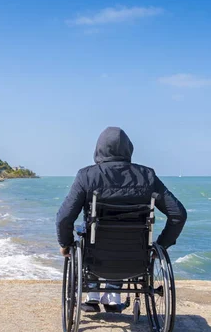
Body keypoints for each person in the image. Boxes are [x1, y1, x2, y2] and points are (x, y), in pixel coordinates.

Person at [56, 127, 187, 312]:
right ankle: (112, 296)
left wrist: (65, 243)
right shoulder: (147, 176)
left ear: (98, 149)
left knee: (89, 233)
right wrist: (162, 245)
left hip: (96, 256)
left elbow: (64, 218)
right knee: (123, 236)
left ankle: (93, 294)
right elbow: (178, 214)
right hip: (136, 259)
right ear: (129, 149)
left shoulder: (87, 175)